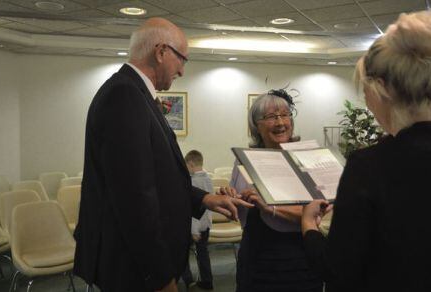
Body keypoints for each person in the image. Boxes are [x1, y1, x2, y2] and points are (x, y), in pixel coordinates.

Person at [73, 18, 252, 292]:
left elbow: (161, 177)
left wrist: (204, 197)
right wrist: (159, 277)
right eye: (182, 59)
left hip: (137, 263)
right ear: (160, 52)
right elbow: (135, 199)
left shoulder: (135, 93)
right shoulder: (124, 95)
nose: (182, 70)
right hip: (134, 268)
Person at [301, 10, 431, 292]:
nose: (368, 104)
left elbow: (337, 269)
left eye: (366, 91)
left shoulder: (371, 166)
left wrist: (309, 227)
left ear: (383, 89)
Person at [224, 89, 323, 292]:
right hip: (256, 260)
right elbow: (238, 215)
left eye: (285, 115)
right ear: (256, 127)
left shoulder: (308, 158)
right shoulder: (245, 159)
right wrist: (231, 198)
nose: (280, 123)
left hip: (297, 260)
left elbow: (319, 211)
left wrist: (271, 208)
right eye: (270, 117)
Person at [181, 150, 214, 290]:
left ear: (191, 164)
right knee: (203, 253)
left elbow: (192, 210)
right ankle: (207, 281)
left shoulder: (191, 181)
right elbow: (209, 206)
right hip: (205, 225)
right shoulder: (208, 178)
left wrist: (194, 230)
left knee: (182, 254)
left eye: (186, 166)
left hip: (193, 227)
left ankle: (188, 281)